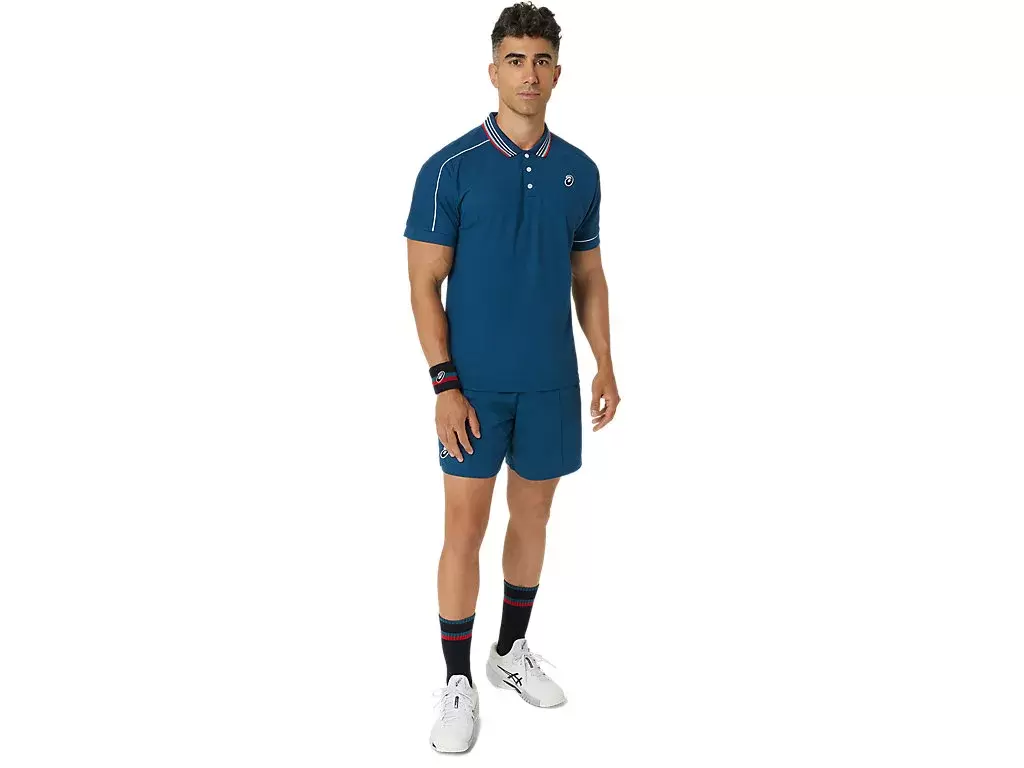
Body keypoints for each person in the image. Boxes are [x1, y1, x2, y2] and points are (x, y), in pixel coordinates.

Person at [404, 2, 620, 753]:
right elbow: (422, 284)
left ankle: (509, 652)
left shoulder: (580, 171)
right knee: (463, 529)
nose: (529, 74)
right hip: (474, 390)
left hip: (551, 383)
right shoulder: (450, 168)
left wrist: (605, 362)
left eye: (541, 61)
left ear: (557, 73)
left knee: (533, 522)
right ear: (493, 70)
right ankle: (457, 681)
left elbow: (588, 275)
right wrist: (444, 386)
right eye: (516, 60)